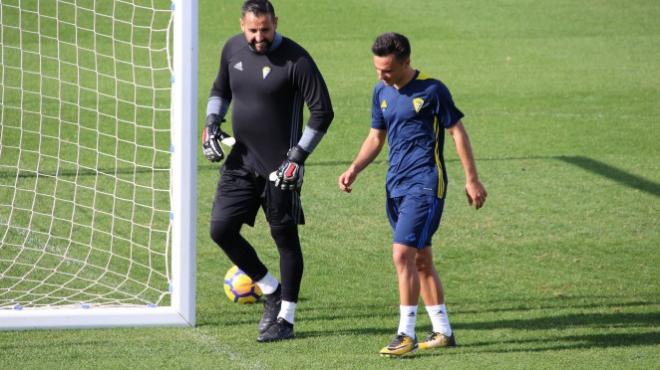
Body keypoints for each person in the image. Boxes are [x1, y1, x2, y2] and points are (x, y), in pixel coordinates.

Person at [338, 32, 487, 357]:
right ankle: (443, 331)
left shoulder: (433, 89)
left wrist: (472, 179)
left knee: (401, 254)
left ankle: (405, 333)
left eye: (388, 69)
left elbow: (457, 131)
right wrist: (355, 168)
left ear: (406, 62)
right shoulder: (381, 91)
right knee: (421, 258)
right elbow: (376, 137)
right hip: (395, 185)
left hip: (426, 184)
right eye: (377, 69)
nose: (381, 75)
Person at [203, 0, 333, 342]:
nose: (259, 37)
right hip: (240, 162)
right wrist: (212, 123)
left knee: (285, 239)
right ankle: (270, 290)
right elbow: (220, 90)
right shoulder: (232, 48)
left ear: (276, 23)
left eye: (266, 29)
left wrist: (298, 157)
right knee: (221, 229)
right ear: (242, 25)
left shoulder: (297, 60)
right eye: (253, 30)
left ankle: (286, 319)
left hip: (281, 169)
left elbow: (322, 112)